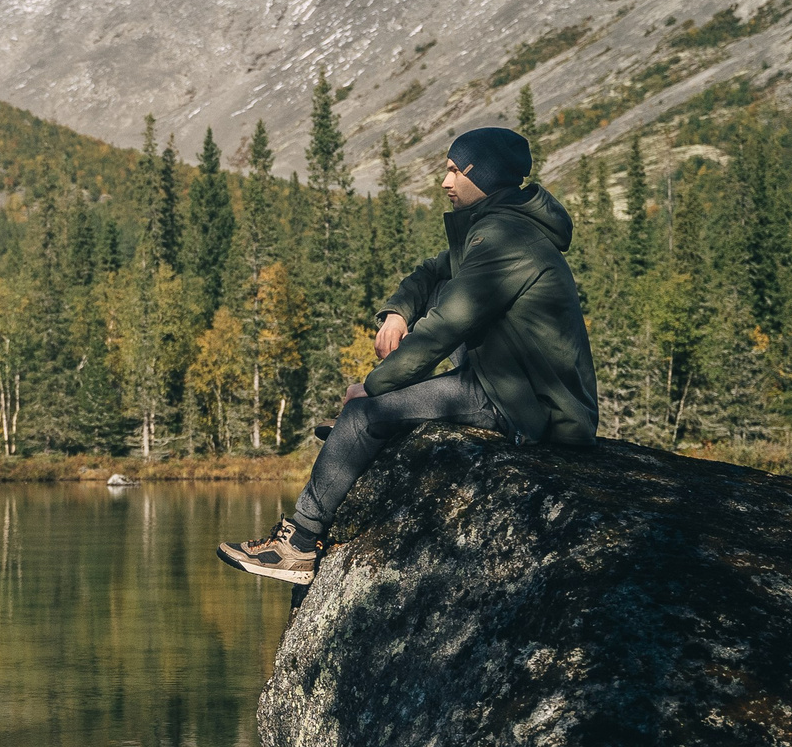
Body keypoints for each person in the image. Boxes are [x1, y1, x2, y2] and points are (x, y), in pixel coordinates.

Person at [217, 125, 598, 585]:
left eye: (457, 170)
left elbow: (446, 327)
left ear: (488, 176)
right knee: (436, 291)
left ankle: (297, 544)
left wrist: (375, 388)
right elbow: (432, 273)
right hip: (504, 379)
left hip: (528, 403)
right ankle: (371, 434)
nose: (445, 182)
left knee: (362, 414)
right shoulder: (496, 226)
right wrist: (397, 313)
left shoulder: (506, 239)